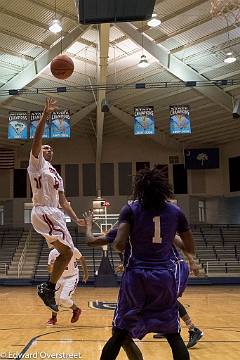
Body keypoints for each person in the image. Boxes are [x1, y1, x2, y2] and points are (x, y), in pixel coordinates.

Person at [99, 167, 195, 360]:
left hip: (137, 276)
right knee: (173, 335)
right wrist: (170, 238)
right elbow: (189, 247)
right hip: (164, 276)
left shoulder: (131, 209)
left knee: (119, 334)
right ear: (163, 190)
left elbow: (118, 245)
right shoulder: (176, 212)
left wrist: (126, 236)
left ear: (140, 189)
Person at [85, 215, 203, 350]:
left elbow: (180, 242)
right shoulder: (129, 235)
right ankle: (167, 326)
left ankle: (192, 329)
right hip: (160, 270)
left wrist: (192, 262)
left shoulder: (154, 226)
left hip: (174, 266)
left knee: (167, 299)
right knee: (161, 299)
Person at [27, 97, 83, 312]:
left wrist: (76, 218)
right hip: (43, 211)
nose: (47, 149)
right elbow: (36, 140)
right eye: (45, 147)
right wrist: (46, 114)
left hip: (56, 213)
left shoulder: (55, 172)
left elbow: (63, 200)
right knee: (67, 253)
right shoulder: (37, 163)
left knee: (68, 253)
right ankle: (48, 288)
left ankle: (48, 288)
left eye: (50, 148)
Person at [47, 246, 89, 325]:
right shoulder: (52, 253)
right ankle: (53, 318)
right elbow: (49, 270)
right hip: (58, 277)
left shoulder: (73, 250)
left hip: (72, 277)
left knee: (64, 299)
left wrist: (86, 273)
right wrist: (52, 265)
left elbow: (82, 259)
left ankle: (76, 309)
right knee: (54, 299)